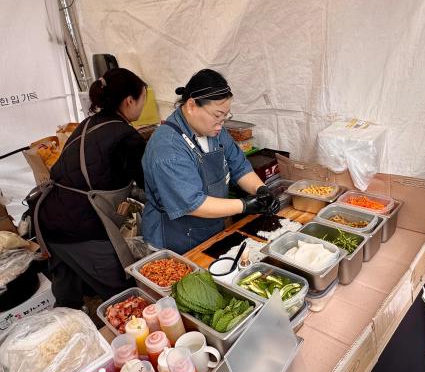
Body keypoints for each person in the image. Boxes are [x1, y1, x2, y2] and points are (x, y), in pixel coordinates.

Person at [36, 68, 148, 309]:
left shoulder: (88, 123)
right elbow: (147, 183)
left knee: (67, 297)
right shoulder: (126, 137)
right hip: (81, 226)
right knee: (124, 297)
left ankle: (68, 333)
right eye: (142, 100)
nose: (142, 106)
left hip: (47, 219)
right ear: (129, 101)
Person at [142, 69, 279, 254]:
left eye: (226, 116)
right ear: (191, 105)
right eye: (217, 115)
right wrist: (245, 205)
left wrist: (261, 190)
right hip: (175, 240)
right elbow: (192, 203)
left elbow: (239, 166)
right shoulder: (168, 148)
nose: (221, 123)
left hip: (211, 230)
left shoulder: (215, 131)